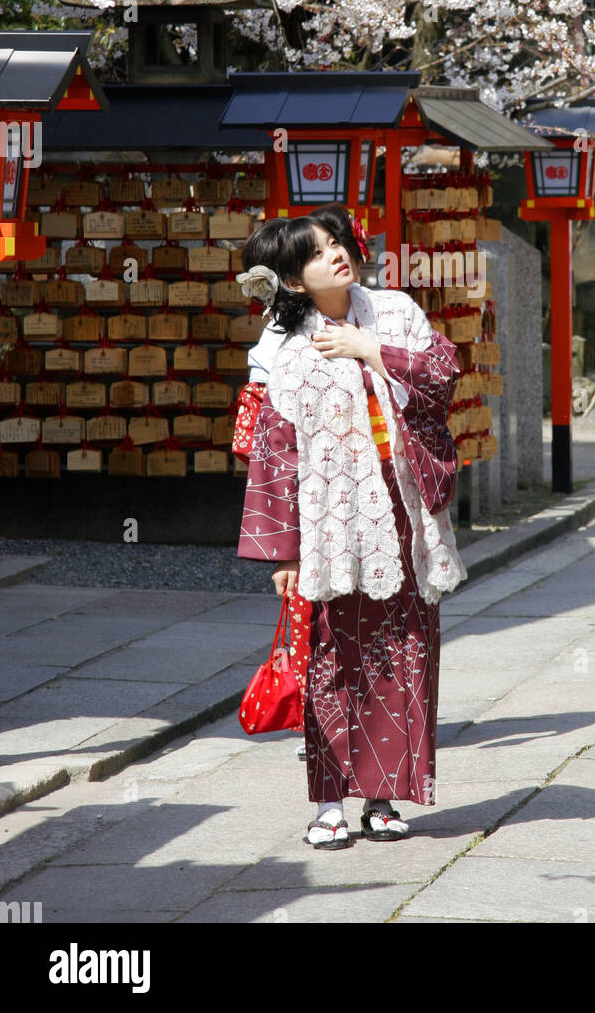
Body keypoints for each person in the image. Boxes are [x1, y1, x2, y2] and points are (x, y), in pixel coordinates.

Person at [236, 204, 466, 849]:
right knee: (331, 658)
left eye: (336, 241)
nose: (336, 253)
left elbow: (445, 376)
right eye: (316, 252)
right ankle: (329, 802)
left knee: (403, 651)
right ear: (291, 279)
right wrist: (283, 551)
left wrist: (373, 348)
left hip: (399, 505)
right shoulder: (283, 344)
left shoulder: (394, 311)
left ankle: (386, 795)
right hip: (325, 518)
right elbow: (274, 452)